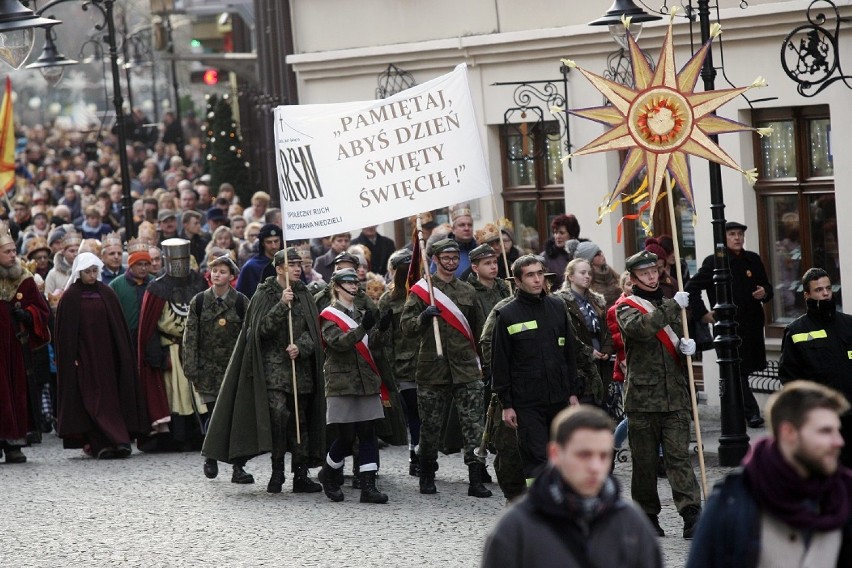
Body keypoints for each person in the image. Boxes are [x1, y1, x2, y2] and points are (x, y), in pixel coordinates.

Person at [686, 381, 852, 568]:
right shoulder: (732, 502)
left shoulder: (843, 494)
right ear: (788, 433)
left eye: (837, 431)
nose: (838, 441)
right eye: (825, 431)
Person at [202, 249, 326, 494]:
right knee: (279, 416)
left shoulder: (304, 293)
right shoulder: (264, 293)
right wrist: (281, 305)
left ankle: (300, 474)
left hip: (299, 369)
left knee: (299, 420)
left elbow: (315, 332)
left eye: (299, 264)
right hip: (271, 369)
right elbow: (259, 331)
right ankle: (277, 471)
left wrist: (300, 346)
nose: (297, 268)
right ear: (279, 268)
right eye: (292, 265)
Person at [481, 405, 663, 568]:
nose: (595, 467)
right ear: (555, 454)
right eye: (584, 455)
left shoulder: (631, 524)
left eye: (603, 456)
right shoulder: (516, 528)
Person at [616, 250, 702, 538]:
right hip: (642, 399)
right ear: (633, 277)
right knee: (645, 461)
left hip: (675, 397)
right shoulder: (626, 307)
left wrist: (688, 348)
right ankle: (646, 516)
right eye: (645, 273)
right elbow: (640, 330)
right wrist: (671, 309)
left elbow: (677, 341)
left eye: (654, 271)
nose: (652, 276)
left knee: (679, 457)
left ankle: (691, 513)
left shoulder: (669, 304)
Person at [401, 238, 491, 498]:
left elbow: (479, 329)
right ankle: (427, 473)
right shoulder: (421, 291)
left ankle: (475, 478)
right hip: (433, 369)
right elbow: (406, 329)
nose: (451, 262)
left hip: (466, 368)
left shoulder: (467, 291)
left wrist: (483, 362)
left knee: (474, 426)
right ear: (435, 260)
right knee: (430, 427)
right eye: (446, 258)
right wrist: (423, 316)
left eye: (454, 258)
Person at [491, 254, 583, 483]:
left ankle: (561, 505)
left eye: (540, 273)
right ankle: (540, 508)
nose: (537, 280)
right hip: (526, 401)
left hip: (559, 396)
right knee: (538, 457)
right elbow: (500, 362)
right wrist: (507, 404)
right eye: (530, 275)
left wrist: (572, 392)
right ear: (518, 281)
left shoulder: (557, 307)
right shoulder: (507, 315)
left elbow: (570, 353)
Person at [55, 252, 147, 459]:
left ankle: (120, 441)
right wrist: (71, 360)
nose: (91, 275)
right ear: (79, 272)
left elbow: (118, 328)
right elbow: (65, 335)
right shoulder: (70, 297)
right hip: (84, 360)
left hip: (107, 359)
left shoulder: (107, 293)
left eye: (94, 271)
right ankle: (99, 443)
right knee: (91, 401)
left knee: (110, 400)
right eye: (87, 271)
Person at [685, 221, 772, 428]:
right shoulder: (715, 261)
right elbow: (691, 288)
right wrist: (703, 314)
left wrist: (765, 292)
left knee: (743, 370)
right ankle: (751, 413)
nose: (737, 238)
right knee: (736, 369)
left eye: (740, 234)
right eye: (732, 234)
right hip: (727, 326)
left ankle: (737, 411)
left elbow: (767, 285)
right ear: (724, 238)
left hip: (750, 324)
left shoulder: (753, 259)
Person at [317, 268, 388, 504]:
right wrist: (362, 328)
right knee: (346, 436)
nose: (354, 286)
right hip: (342, 381)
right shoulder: (329, 315)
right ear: (337, 286)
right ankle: (328, 473)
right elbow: (338, 343)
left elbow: (372, 346)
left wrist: (382, 330)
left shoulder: (360, 312)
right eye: (348, 282)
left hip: (365, 380)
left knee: (368, 432)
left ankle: (368, 486)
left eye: (356, 282)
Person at [182, 254, 254, 485]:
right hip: (208, 371)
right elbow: (190, 337)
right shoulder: (200, 301)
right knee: (214, 416)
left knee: (237, 418)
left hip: (234, 371)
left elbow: (249, 336)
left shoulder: (242, 302)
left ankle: (238, 466)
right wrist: (191, 367)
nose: (217, 275)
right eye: (214, 271)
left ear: (232, 276)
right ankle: (211, 456)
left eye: (222, 271)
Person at [137, 238, 208, 452]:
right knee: (176, 395)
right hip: (172, 349)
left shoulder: (198, 282)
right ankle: (178, 438)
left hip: (194, 348)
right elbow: (148, 327)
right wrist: (155, 354)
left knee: (198, 395)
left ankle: (200, 436)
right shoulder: (157, 288)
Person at [779, 267, 852, 467]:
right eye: (819, 290)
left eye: (828, 288)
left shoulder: (848, 324)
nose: (826, 293)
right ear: (807, 295)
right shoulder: (796, 331)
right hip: (824, 418)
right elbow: (790, 378)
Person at [0, 223, 50, 463]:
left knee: (15, 392)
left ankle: (14, 443)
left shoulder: (24, 278)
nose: (13, 255)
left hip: (15, 350)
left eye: (13, 251)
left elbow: (43, 310)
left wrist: (28, 315)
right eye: (7, 252)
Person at [378, 249, 421, 476]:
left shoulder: (426, 294)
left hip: (428, 362)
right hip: (403, 366)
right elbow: (383, 340)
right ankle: (416, 456)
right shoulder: (388, 299)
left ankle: (423, 454)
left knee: (427, 415)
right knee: (414, 415)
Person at [557, 257, 613, 400]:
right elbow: (567, 334)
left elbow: (607, 329)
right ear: (570, 277)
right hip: (579, 365)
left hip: (600, 362)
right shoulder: (561, 302)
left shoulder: (597, 300)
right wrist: (588, 351)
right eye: (582, 273)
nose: (587, 276)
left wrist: (606, 348)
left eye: (589, 273)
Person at [109, 238, 153, 353]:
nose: (143, 268)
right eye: (139, 264)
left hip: (151, 339)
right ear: (131, 265)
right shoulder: (116, 285)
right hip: (126, 339)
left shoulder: (155, 283)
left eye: (146, 264)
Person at [236, 223, 282, 298]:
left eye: (276, 241)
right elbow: (241, 295)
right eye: (269, 242)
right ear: (262, 243)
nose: (274, 246)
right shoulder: (251, 266)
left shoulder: (290, 263)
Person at [540, 214, 580, 291]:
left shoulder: (581, 253)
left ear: (572, 235)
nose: (557, 236)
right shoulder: (545, 257)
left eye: (561, 233)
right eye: (555, 232)